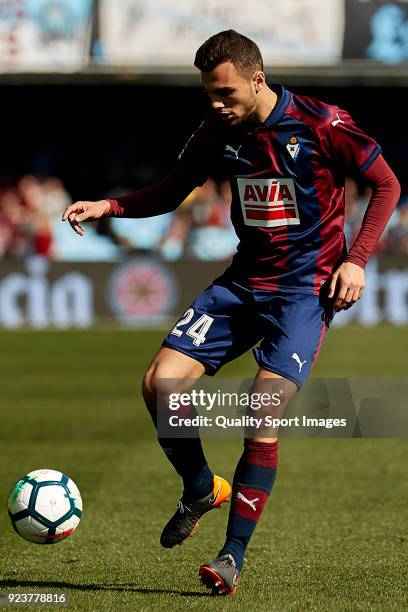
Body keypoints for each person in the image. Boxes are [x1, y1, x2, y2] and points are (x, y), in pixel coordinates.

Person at [63, 30, 400, 596]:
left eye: (225, 93)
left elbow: (386, 184)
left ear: (256, 78)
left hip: (303, 292)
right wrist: (110, 206)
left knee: (257, 412)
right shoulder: (217, 132)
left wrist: (357, 260)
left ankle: (230, 557)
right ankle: (200, 489)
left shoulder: (322, 125)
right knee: (160, 384)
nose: (217, 105)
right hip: (243, 284)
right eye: (209, 95)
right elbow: (173, 191)